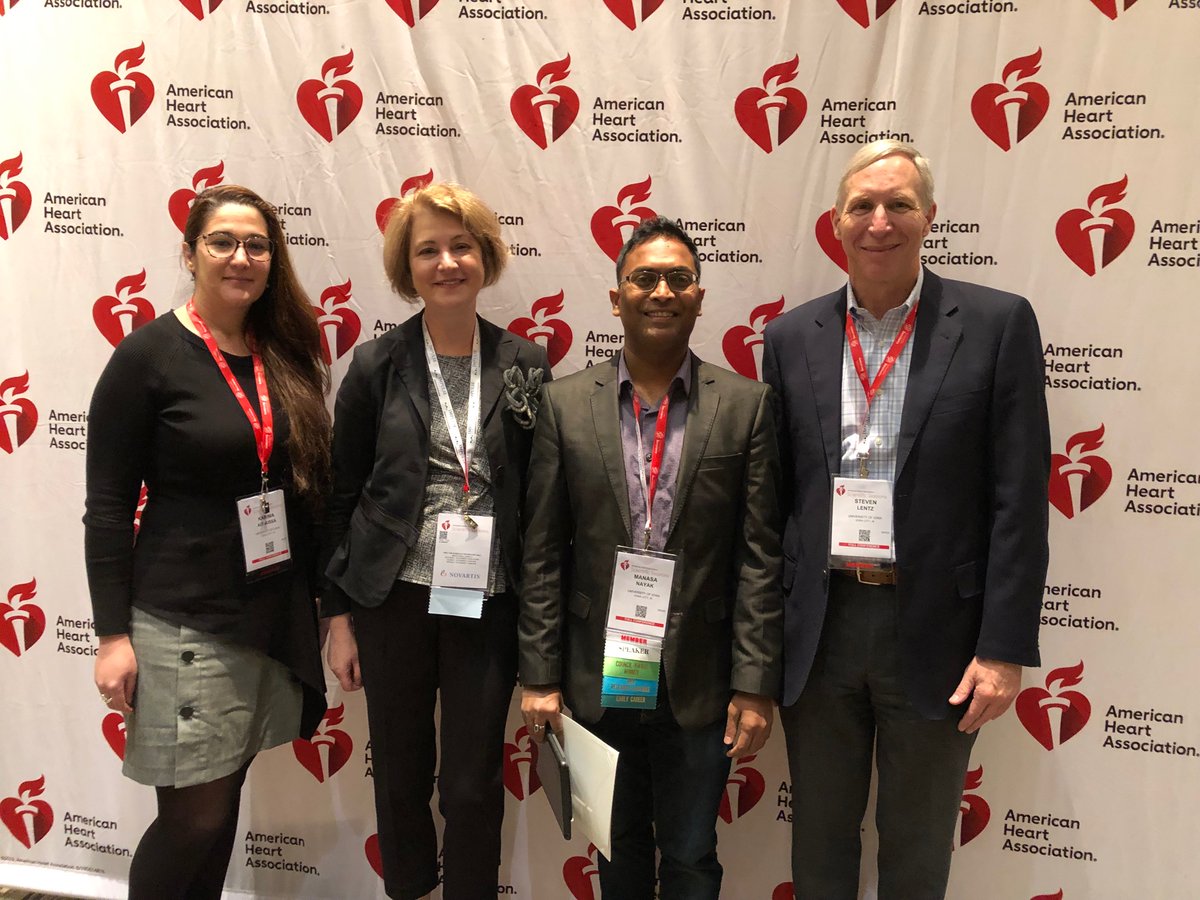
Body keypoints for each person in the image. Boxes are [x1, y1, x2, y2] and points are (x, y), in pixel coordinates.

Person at [762, 140, 1050, 898]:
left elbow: (1018, 498)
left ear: (930, 216)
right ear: (836, 222)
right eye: (862, 206)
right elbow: (776, 502)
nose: (879, 222)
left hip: (939, 633)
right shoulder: (792, 338)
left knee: (918, 851)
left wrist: (1003, 647)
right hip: (820, 629)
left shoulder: (996, 324)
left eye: (898, 204)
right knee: (819, 844)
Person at [519, 216, 783, 900]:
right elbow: (543, 553)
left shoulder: (748, 407)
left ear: (699, 296)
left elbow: (760, 555)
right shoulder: (565, 405)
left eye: (678, 279)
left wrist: (754, 682)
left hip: (701, 673)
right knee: (619, 848)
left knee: (693, 852)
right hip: (597, 669)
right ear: (616, 297)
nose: (661, 291)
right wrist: (540, 675)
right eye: (643, 278)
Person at [85, 184, 330, 899]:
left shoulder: (281, 351)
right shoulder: (147, 357)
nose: (241, 258)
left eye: (257, 245)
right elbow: (106, 509)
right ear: (189, 253)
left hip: (268, 611)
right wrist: (110, 636)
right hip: (182, 619)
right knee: (193, 818)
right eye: (222, 242)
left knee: (220, 816)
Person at [321, 183, 550, 900]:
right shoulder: (375, 365)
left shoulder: (527, 365)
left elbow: (542, 505)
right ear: (406, 266)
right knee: (398, 770)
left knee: (473, 782)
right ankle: (410, 891)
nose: (448, 262)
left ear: (486, 256)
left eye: (462, 246)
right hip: (392, 599)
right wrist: (337, 618)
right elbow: (339, 497)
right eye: (429, 250)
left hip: (488, 599)